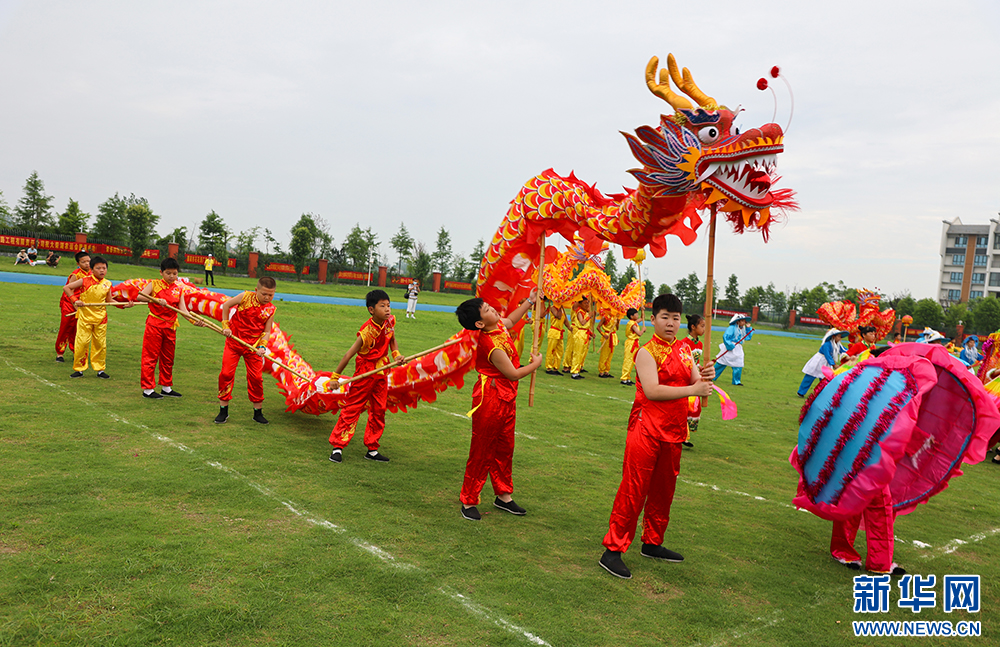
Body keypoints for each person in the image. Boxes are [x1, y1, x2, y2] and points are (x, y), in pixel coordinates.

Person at [599, 293, 715, 579]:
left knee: (664, 491)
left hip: (674, 432)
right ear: (653, 319)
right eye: (665, 317)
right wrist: (693, 389)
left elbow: (694, 381)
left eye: (676, 318)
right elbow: (652, 390)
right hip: (646, 429)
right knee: (634, 489)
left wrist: (705, 376)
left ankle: (652, 542)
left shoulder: (685, 350)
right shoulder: (645, 352)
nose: (671, 323)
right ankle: (612, 550)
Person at [455, 290, 543, 521]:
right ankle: (468, 499)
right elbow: (513, 374)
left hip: (506, 397)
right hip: (491, 398)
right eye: (486, 310)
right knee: (482, 450)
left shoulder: (498, 326)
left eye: (488, 306)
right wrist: (536, 364)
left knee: (505, 447)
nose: (492, 308)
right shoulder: (490, 344)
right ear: (479, 323)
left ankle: (503, 495)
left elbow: (512, 320)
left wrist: (530, 300)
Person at [328, 289, 404, 463]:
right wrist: (335, 378)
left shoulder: (390, 321)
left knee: (379, 409)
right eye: (382, 306)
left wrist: (396, 355)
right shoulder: (366, 332)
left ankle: (372, 448)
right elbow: (348, 355)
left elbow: (392, 339)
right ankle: (338, 447)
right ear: (371, 310)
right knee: (352, 408)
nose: (387, 310)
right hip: (365, 371)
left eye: (389, 305)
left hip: (382, 370)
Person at [137, 258, 203, 399]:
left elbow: (183, 310)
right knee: (150, 357)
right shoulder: (154, 284)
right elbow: (140, 296)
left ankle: (166, 387)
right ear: (161, 272)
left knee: (168, 358)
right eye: (168, 273)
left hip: (171, 327)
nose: (171, 276)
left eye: (174, 273)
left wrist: (194, 321)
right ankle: (148, 389)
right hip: (154, 325)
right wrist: (154, 299)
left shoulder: (179, 288)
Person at [215, 277, 277, 424]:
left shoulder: (271, 309)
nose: (267, 297)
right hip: (234, 342)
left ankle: (258, 413)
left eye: (271, 294)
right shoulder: (245, 296)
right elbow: (225, 306)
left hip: (253, 347)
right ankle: (223, 410)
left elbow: (267, 331)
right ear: (256, 290)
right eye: (264, 294)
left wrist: (262, 346)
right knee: (226, 374)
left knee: (256, 378)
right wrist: (226, 326)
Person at [64, 256, 117, 379]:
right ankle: (79, 369)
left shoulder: (108, 284)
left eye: (104, 268)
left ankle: (100, 369)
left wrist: (124, 305)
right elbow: (67, 288)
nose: (101, 271)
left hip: (101, 318)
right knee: (82, 343)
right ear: (92, 269)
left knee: (100, 344)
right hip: (85, 317)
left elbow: (109, 300)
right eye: (98, 268)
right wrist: (75, 300)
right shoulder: (84, 280)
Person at [55, 250, 91, 362]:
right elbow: (68, 290)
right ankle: (60, 353)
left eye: (88, 261)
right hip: (70, 304)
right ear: (78, 263)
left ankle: (76, 351)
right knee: (66, 328)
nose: (87, 264)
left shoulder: (92, 274)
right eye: (83, 262)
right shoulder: (76, 274)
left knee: (79, 330)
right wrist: (75, 304)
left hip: (84, 305)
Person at [680, 314, 707, 448]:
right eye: (702, 326)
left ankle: (683, 435)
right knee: (684, 406)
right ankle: (683, 436)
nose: (704, 329)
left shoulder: (700, 344)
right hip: (685, 379)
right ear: (693, 327)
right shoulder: (684, 343)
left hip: (694, 378)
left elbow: (695, 362)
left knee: (693, 407)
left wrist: (699, 368)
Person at [796, 329, 846, 397]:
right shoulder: (827, 344)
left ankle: (824, 394)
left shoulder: (837, 345)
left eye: (841, 337)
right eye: (839, 336)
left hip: (826, 363)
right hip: (818, 361)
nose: (840, 339)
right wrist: (834, 365)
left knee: (825, 379)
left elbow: (844, 350)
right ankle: (801, 392)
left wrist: (853, 352)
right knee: (810, 376)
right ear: (833, 337)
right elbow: (827, 355)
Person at [714, 314, 753, 386]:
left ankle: (736, 381)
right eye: (742, 321)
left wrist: (748, 329)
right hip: (730, 347)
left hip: (738, 348)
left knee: (738, 364)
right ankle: (712, 377)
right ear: (737, 322)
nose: (744, 323)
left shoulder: (743, 329)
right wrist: (730, 345)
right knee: (721, 363)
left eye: (745, 321)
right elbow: (725, 336)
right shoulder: (732, 328)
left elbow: (747, 337)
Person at [568, 297, 593, 379]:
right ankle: (574, 372)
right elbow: (582, 322)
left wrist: (591, 333)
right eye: (585, 303)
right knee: (577, 353)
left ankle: (577, 370)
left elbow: (586, 325)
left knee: (582, 353)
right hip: (580, 333)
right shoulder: (579, 312)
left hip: (585, 333)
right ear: (580, 304)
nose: (587, 305)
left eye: (588, 303)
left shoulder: (585, 312)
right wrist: (589, 316)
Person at [619, 308, 643, 385]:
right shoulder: (632, 324)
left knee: (632, 360)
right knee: (628, 360)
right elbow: (639, 333)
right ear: (632, 316)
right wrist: (643, 330)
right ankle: (624, 378)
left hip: (634, 343)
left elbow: (642, 318)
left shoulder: (634, 322)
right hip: (631, 343)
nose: (637, 315)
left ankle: (627, 377)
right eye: (636, 314)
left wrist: (642, 310)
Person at [544, 300, 568, 375]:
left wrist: (569, 328)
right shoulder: (553, 308)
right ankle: (548, 367)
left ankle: (556, 367)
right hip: (554, 332)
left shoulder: (562, 310)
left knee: (560, 351)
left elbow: (565, 320)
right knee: (551, 351)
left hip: (560, 333)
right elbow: (558, 316)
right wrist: (560, 307)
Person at [596, 310, 621, 378]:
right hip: (607, 337)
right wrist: (603, 334)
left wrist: (618, 322)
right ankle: (601, 371)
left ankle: (607, 370)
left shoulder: (616, 317)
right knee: (604, 355)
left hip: (613, 336)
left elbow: (617, 328)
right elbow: (598, 327)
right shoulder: (605, 317)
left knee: (610, 356)